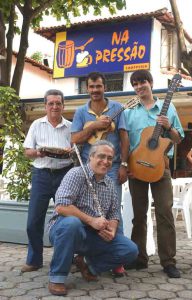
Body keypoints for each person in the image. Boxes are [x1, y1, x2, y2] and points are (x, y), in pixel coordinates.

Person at [48, 140, 138, 296]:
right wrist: (91, 220)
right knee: (72, 224)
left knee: (130, 250)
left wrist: (112, 228)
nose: (106, 161)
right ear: (90, 157)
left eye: (109, 158)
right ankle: (57, 277)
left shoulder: (110, 183)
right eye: (101, 156)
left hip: (92, 234)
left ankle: (89, 266)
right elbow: (61, 206)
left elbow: (114, 213)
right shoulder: (76, 174)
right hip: (65, 229)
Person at [124, 70, 184, 278]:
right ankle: (139, 258)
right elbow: (125, 141)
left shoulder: (168, 108)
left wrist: (169, 127)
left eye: (142, 82)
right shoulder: (130, 111)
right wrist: (125, 164)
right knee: (138, 215)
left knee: (165, 212)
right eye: (135, 84)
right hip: (137, 167)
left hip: (161, 167)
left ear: (150, 83)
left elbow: (177, 140)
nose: (139, 87)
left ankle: (168, 261)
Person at [71, 72, 129, 276]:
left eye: (98, 86)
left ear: (105, 87)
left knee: (114, 211)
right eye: (91, 87)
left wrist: (123, 164)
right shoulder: (80, 112)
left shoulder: (118, 108)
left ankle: (117, 259)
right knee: (88, 210)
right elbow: (74, 139)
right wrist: (94, 126)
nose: (95, 90)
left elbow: (124, 137)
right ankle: (83, 254)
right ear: (87, 88)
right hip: (87, 168)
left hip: (111, 167)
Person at [21, 89, 73, 273]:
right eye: (51, 103)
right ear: (45, 105)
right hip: (41, 175)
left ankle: (67, 259)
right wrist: (38, 152)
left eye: (58, 103)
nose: (54, 106)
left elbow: (76, 152)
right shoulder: (36, 124)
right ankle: (34, 260)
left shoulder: (70, 126)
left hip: (65, 175)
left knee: (67, 220)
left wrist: (70, 152)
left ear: (63, 105)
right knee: (34, 220)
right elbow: (27, 151)